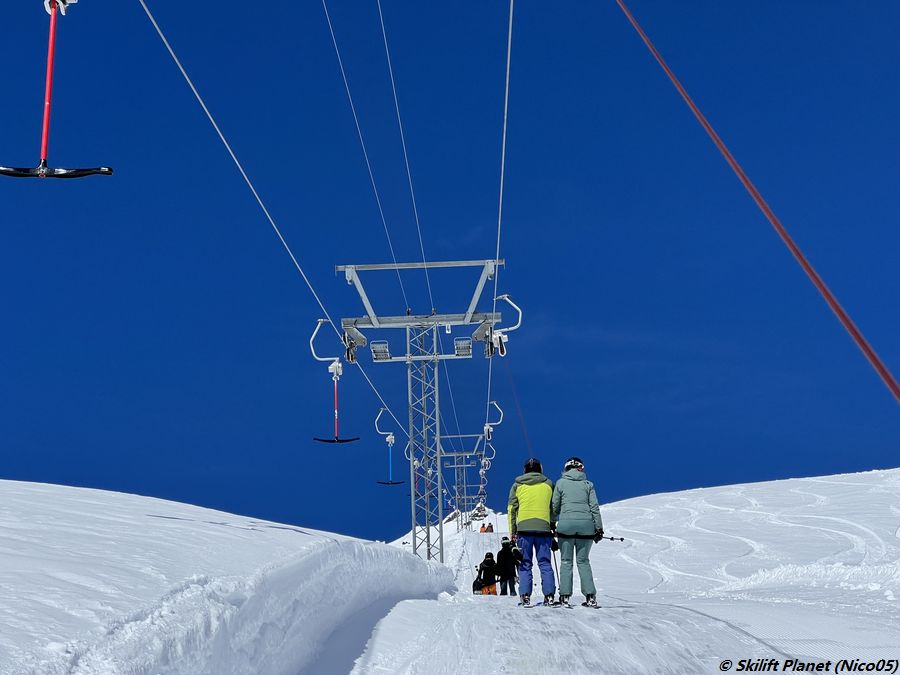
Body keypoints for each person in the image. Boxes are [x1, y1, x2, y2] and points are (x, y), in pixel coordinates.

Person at [550, 456, 604, 608]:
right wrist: (599, 528)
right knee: (583, 561)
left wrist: (552, 523)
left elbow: (555, 506)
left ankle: (565, 596)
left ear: (566, 468)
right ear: (581, 468)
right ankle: (590, 596)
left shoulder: (560, 483)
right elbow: (594, 507)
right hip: (586, 528)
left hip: (566, 526)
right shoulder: (588, 485)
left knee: (566, 561)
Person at [508, 457, 556, 606]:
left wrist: (513, 532)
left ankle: (525, 596)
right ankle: (549, 595)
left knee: (525, 563)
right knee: (545, 563)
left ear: (525, 470)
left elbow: (511, 510)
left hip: (524, 529)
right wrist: (552, 526)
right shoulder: (548, 484)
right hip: (543, 528)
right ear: (540, 469)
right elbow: (553, 508)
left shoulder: (517, 485)